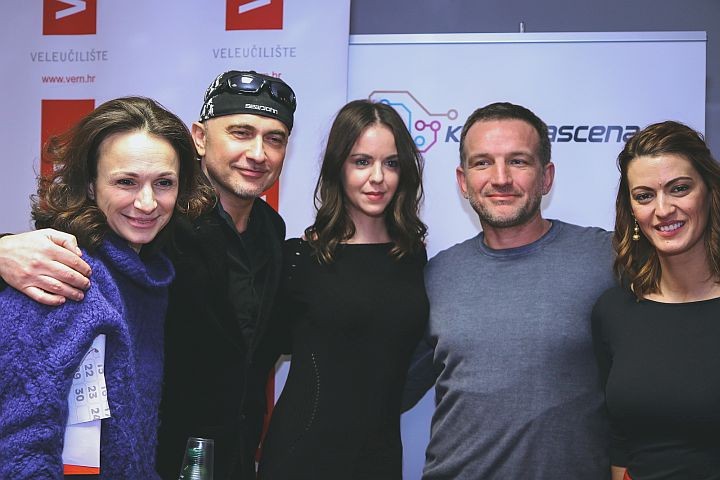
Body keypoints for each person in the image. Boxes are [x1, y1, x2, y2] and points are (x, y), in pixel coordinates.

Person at [0, 70, 298, 479]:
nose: (146, 202)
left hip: (226, 457)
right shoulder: (70, 269)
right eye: (241, 133)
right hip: (163, 455)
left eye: (275, 139)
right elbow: (23, 437)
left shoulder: (261, 234)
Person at [0, 96, 213, 478]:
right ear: (90, 185)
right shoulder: (64, 275)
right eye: (126, 182)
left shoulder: (147, 279)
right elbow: (21, 446)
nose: (147, 203)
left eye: (163, 183)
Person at [402, 102, 616, 479]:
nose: (500, 178)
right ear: (463, 180)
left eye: (518, 161)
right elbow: (388, 389)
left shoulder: (607, 259)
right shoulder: (436, 275)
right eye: (483, 163)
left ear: (546, 177)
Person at [257, 100, 429, 480]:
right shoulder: (300, 258)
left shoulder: (413, 256)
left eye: (391, 163)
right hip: (302, 457)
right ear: (339, 166)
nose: (378, 177)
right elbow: (255, 357)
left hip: (381, 457)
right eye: (362, 161)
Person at [592, 121, 720, 480]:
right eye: (644, 196)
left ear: (710, 192)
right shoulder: (614, 311)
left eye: (679, 189)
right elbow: (620, 442)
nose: (663, 210)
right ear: (631, 209)